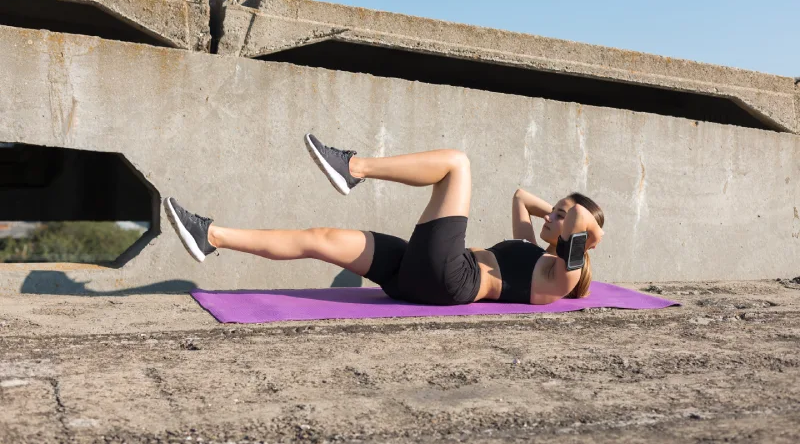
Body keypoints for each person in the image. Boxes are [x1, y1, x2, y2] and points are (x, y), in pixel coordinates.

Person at [164, 134, 605, 305]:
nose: (555, 215)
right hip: (420, 273)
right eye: (557, 210)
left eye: (564, 216)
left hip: (452, 278)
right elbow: (521, 197)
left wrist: (578, 221)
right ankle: (211, 236)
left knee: (457, 163)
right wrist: (556, 212)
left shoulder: (558, 280)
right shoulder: (533, 250)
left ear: (580, 240)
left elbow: (582, 222)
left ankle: (354, 168)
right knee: (321, 237)